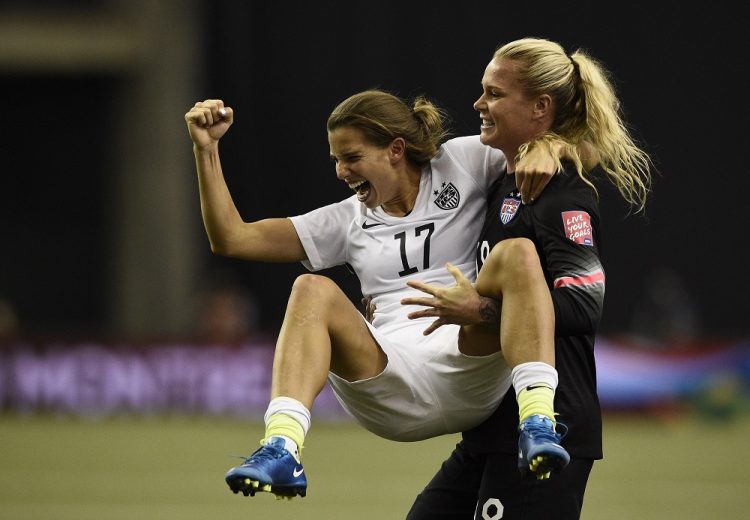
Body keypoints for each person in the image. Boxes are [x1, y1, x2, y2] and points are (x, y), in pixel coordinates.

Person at [184, 89, 574, 499]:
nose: (340, 171)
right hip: (389, 382)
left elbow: (561, 138)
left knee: (518, 253)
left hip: (470, 365)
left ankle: (536, 422)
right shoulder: (345, 220)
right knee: (310, 288)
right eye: (335, 159)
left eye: (351, 157)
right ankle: (282, 445)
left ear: (395, 149)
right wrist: (206, 149)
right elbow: (232, 238)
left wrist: (550, 147)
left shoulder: (462, 160)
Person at [404, 37, 653, 520]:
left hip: (550, 425)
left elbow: (584, 305)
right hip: (492, 426)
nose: (478, 104)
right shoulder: (505, 178)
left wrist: (481, 310)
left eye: (494, 94)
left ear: (541, 107)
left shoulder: (561, 193)